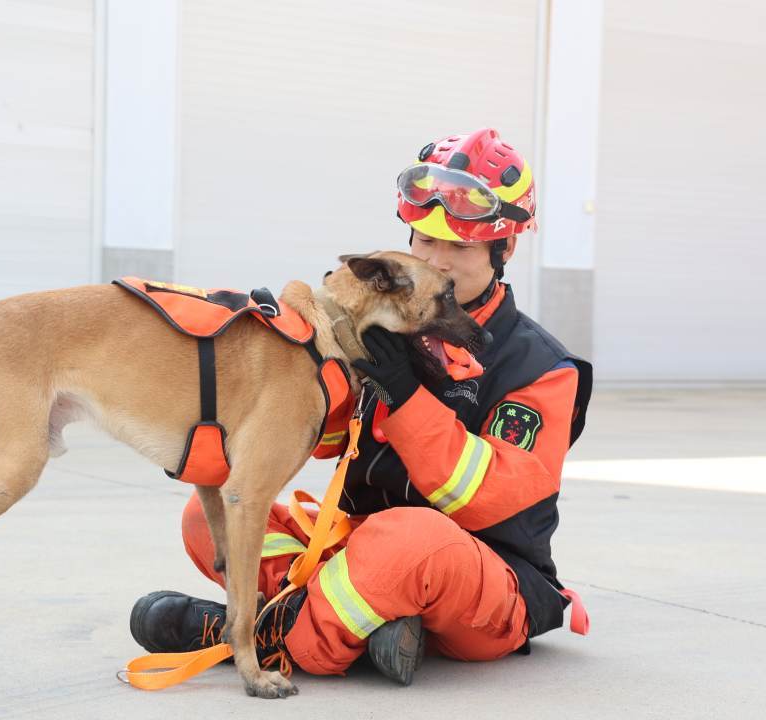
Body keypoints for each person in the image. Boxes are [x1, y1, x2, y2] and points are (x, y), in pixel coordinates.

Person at [129, 127, 592, 685]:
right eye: (425, 240)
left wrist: (407, 397)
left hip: (482, 578)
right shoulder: (388, 322)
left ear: (505, 247)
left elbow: (480, 500)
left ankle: (259, 632)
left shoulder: (542, 368)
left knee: (409, 537)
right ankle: (373, 628)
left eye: (460, 245)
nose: (438, 261)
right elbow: (326, 443)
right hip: (361, 555)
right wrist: (288, 372)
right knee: (217, 512)